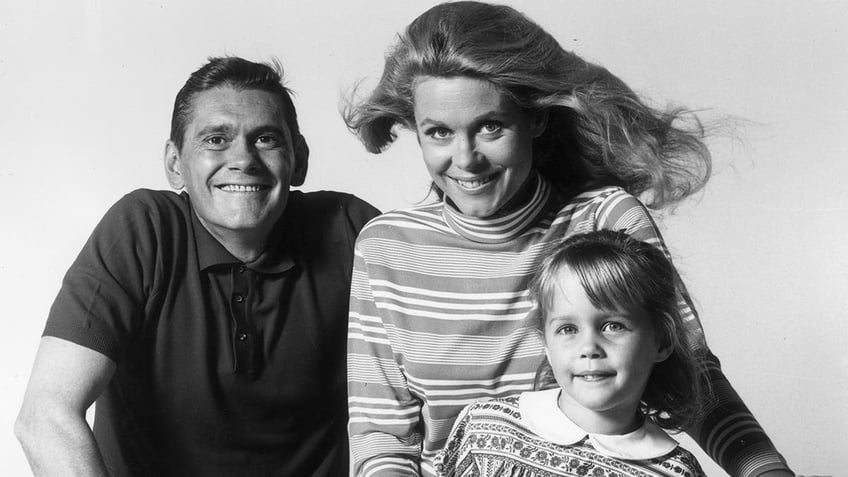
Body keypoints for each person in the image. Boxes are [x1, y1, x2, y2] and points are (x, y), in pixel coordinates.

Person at [344, 2, 792, 476]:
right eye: (438, 132)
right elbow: (382, 440)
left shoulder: (605, 218)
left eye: (490, 127)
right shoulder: (385, 246)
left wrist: (765, 470)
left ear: (536, 118)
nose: (466, 158)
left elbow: (693, 376)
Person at [14, 56, 379, 476]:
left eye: (265, 139)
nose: (243, 159)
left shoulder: (349, 229)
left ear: (298, 159)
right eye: (215, 139)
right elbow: (46, 416)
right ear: (174, 164)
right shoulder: (144, 229)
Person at [436, 230, 707, 477]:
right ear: (546, 344)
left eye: (613, 326)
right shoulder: (485, 426)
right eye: (567, 329)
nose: (588, 348)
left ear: (661, 341)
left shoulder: (676, 472)